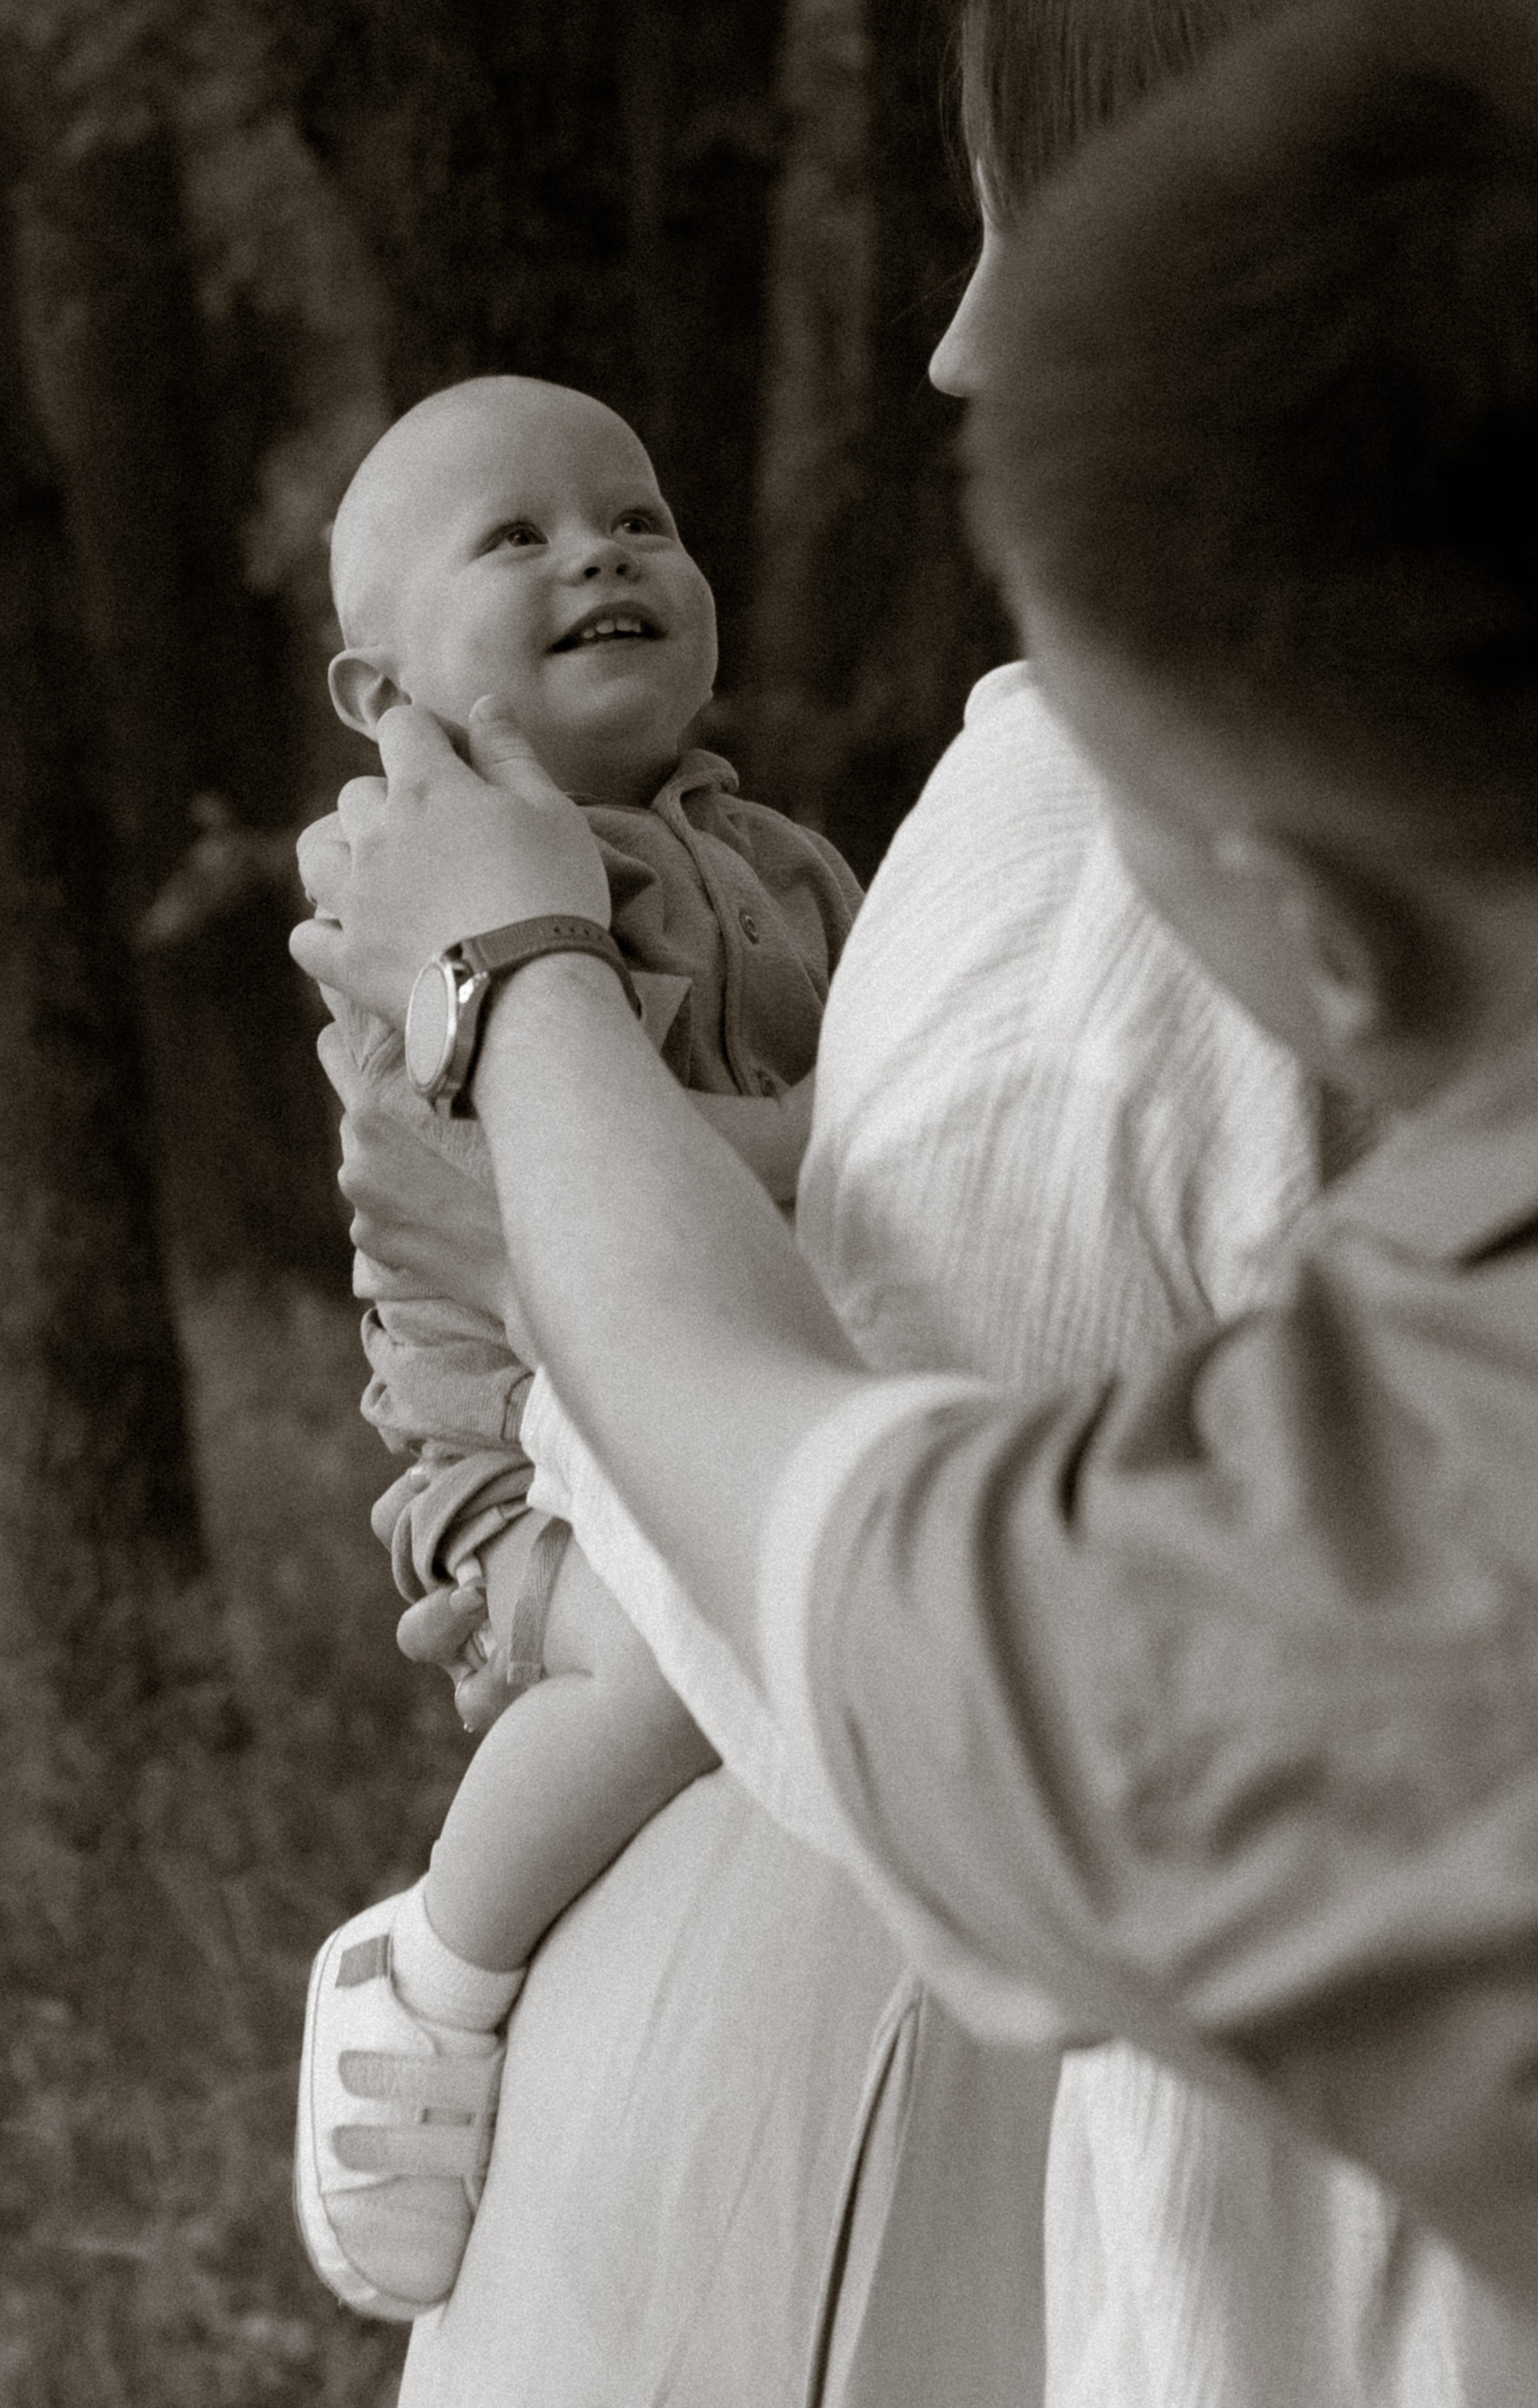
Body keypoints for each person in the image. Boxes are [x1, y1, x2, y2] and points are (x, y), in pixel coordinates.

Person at [297, 0, 1538, 2405]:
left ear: (1303, 929)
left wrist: (512, 979)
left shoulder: (1399, 1563)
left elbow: (810, 1531)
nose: (947, 341)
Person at [802, 0, 1478, 2408]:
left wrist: (511, 1016)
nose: (958, 352)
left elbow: (890, 1637)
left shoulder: (1121, 873)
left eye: (1020, 236)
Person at [294, 373, 857, 2322]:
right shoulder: (402, 912)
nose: (597, 551)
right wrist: (838, 1153)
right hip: (530, 1460)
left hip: (737, 1388)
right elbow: (570, 1182)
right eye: (514, 537)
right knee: (673, 1651)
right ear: (386, 702)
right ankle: (436, 1971)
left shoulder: (781, 864)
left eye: (634, 516)